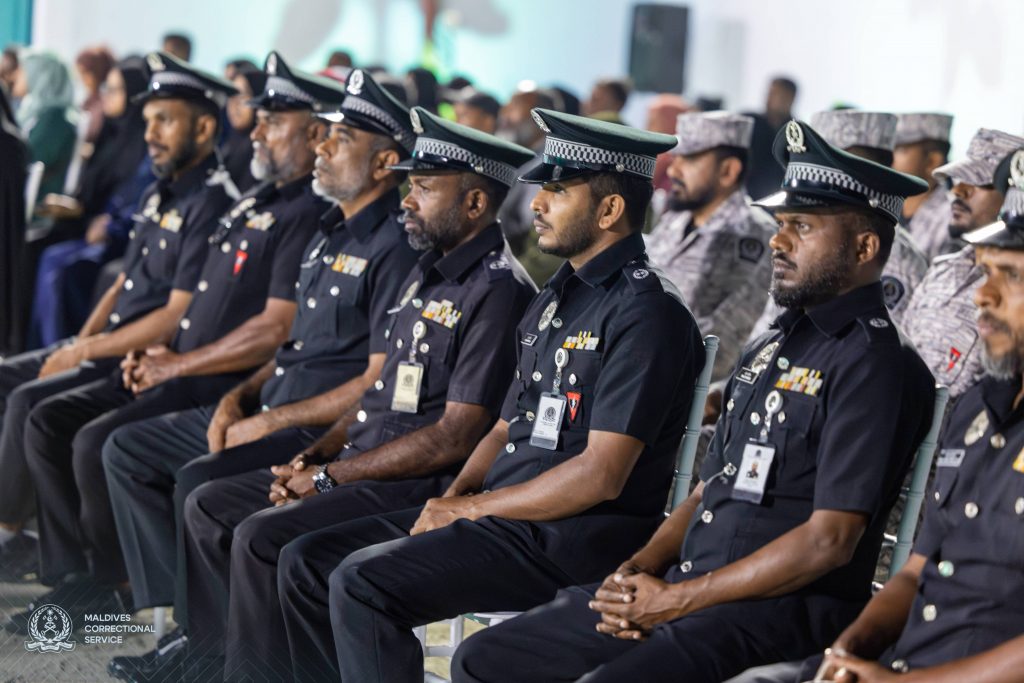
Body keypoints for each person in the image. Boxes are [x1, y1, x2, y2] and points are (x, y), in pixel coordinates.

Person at [452, 118, 935, 683]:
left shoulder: (876, 364)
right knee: (485, 658)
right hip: (694, 586)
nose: (778, 241)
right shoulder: (773, 345)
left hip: (775, 611)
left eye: (801, 227)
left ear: (864, 247)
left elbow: (828, 542)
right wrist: (637, 571)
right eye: (781, 224)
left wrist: (678, 600)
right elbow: (710, 487)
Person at [269, 108, 702, 683]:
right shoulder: (558, 296)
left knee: (361, 582)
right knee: (306, 558)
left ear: (609, 210)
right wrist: (452, 498)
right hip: (505, 518)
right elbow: (504, 427)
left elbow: (600, 476)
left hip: (569, 537)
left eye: (557, 191)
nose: (537, 204)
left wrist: (468, 509)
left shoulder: (646, 313)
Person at [172, 105, 538, 682]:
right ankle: (225, 664)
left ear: (474, 203)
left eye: (424, 188)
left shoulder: (498, 290)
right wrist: (315, 454)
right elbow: (379, 391)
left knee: (268, 539)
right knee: (216, 503)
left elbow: (455, 436)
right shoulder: (429, 271)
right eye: (410, 185)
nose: (407, 200)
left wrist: (329, 478)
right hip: (362, 461)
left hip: (416, 481)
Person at [102, 67, 422, 682]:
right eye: (324, 134)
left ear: (385, 163)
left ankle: (213, 655)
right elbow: (293, 345)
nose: (323, 147)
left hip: (320, 426)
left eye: (340, 139)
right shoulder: (330, 232)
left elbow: (373, 383)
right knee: (135, 449)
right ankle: (199, 640)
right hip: (272, 405)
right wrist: (238, 397)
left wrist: (271, 420)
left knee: (203, 487)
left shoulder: (394, 246)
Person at [1, 50, 333, 630]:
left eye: (272, 123)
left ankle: (121, 587)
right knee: (48, 410)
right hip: (169, 360)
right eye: (258, 120)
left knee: (82, 432)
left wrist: (169, 362)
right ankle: (80, 571)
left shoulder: (295, 211)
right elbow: (143, 288)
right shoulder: (254, 199)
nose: (256, 133)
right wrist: (85, 344)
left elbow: (271, 327)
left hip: (210, 376)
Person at [787, 147, 1024, 683]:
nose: (982, 296)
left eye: (1008, 276)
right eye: (986, 272)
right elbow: (916, 570)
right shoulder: (976, 409)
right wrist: (847, 651)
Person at [0, 52, 236, 584]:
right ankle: (36, 539)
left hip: (139, 356)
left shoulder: (213, 203)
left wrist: (85, 352)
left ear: (204, 127)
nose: (149, 133)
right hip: (106, 343)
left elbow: (175, 314)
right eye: (147, 120)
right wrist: (76, 344)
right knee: (10, 382)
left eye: (164, 120)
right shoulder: (160, 190)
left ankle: (61, 562)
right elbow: (123, 282)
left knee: (38, 410)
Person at [746, 111, 928, 338]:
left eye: (830, 156)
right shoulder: (799, 248)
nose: (777, 241)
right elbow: (769, 329)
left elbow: (871, 344)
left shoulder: (899, 262)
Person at [28, 55, 153, 347]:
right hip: (93, 223)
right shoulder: (112, 134)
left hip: (120, 236)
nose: (105, 95)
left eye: (115, 90)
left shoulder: (142, 141)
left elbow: (136, 198)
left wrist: (109, 224)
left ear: (133, 95)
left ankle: (56, 348)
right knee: (42, 251)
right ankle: (37, 346)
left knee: (59, 265)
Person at [645, 111, 774, 380]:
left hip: (684, 387)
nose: (673, 170)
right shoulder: (676, 219)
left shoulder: (754, 234)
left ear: (728, 171)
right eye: (676, 158)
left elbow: (728, 337)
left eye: (689, 160)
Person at [902, 127, 1024, 401]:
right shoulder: (944, 269)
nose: (958, 191)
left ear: (1012, 190)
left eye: (978, 183)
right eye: (957, 180)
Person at [11, 49, 77, 201]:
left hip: (38, 201)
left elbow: (27, 159)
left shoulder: (54, 120)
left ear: (39, 75)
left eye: (22, 71)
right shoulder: (38, 113)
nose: (15, 76)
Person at [893, 113, 954, 260]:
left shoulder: (951, 218)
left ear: (932, 161)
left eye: (901, 150)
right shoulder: (882, 203)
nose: (890, 158)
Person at [744, 76, 797, 200]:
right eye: (769, 93)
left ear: (790, 98)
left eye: (776, 94)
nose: (768, 98)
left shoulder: (798, 134)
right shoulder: (750, 123)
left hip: (780, 201)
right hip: (748, 198)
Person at [221, 62, 265, 193]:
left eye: (241, 96)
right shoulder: (227, 146)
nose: (234, 105)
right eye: (230, 97)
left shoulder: (265, 152)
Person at [74, 46, 115, 144]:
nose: (81, 79)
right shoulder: (87, 100)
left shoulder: (106, 103)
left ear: (97, 72)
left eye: (85, 73)